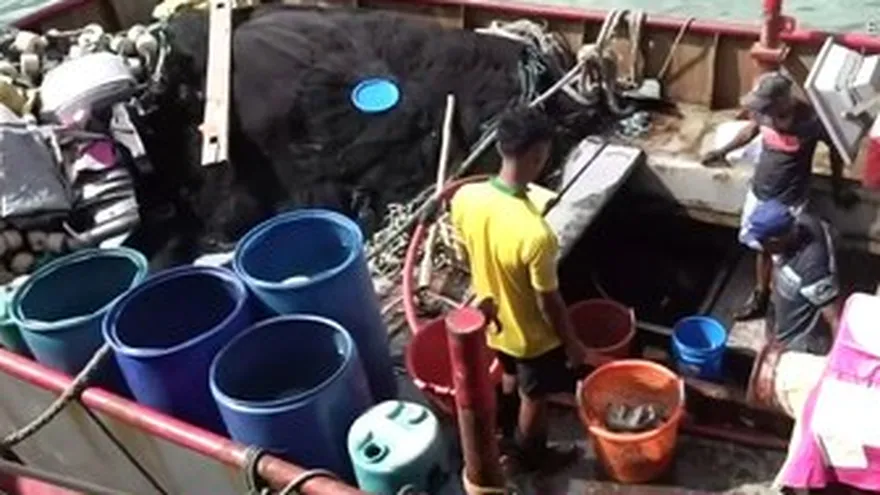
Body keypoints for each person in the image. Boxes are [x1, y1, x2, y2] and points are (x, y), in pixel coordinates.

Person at [450, 105, 584, 473]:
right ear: (538, 156)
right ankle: (532, 456)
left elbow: (464, 253)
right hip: (532, 338)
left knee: (509, 375)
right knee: (535, 396)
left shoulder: (466, 198)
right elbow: (548, 303)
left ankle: (504, 432)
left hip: (492, 324)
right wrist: (571, 343)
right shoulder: (536, 235)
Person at [701, 71, 855, 322]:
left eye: (767, 106)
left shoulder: (812, 120)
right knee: (759, 246)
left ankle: (777, 301)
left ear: (784, 101)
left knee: (784, 256)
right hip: (760, 190)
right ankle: (761, 297)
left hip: (789, 201)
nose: (763, 113)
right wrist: (722, 151)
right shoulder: (764, 112)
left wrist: (838, 187)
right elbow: (750, 131)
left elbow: (836, 151)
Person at [744, 199, 842, 354]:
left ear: (775, 240)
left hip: (800, 344)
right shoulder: (800, 223)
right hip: (781, 318)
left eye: (762, 242)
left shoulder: (812, 267)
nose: (760, 246)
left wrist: (836, 361)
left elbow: (835, 318)